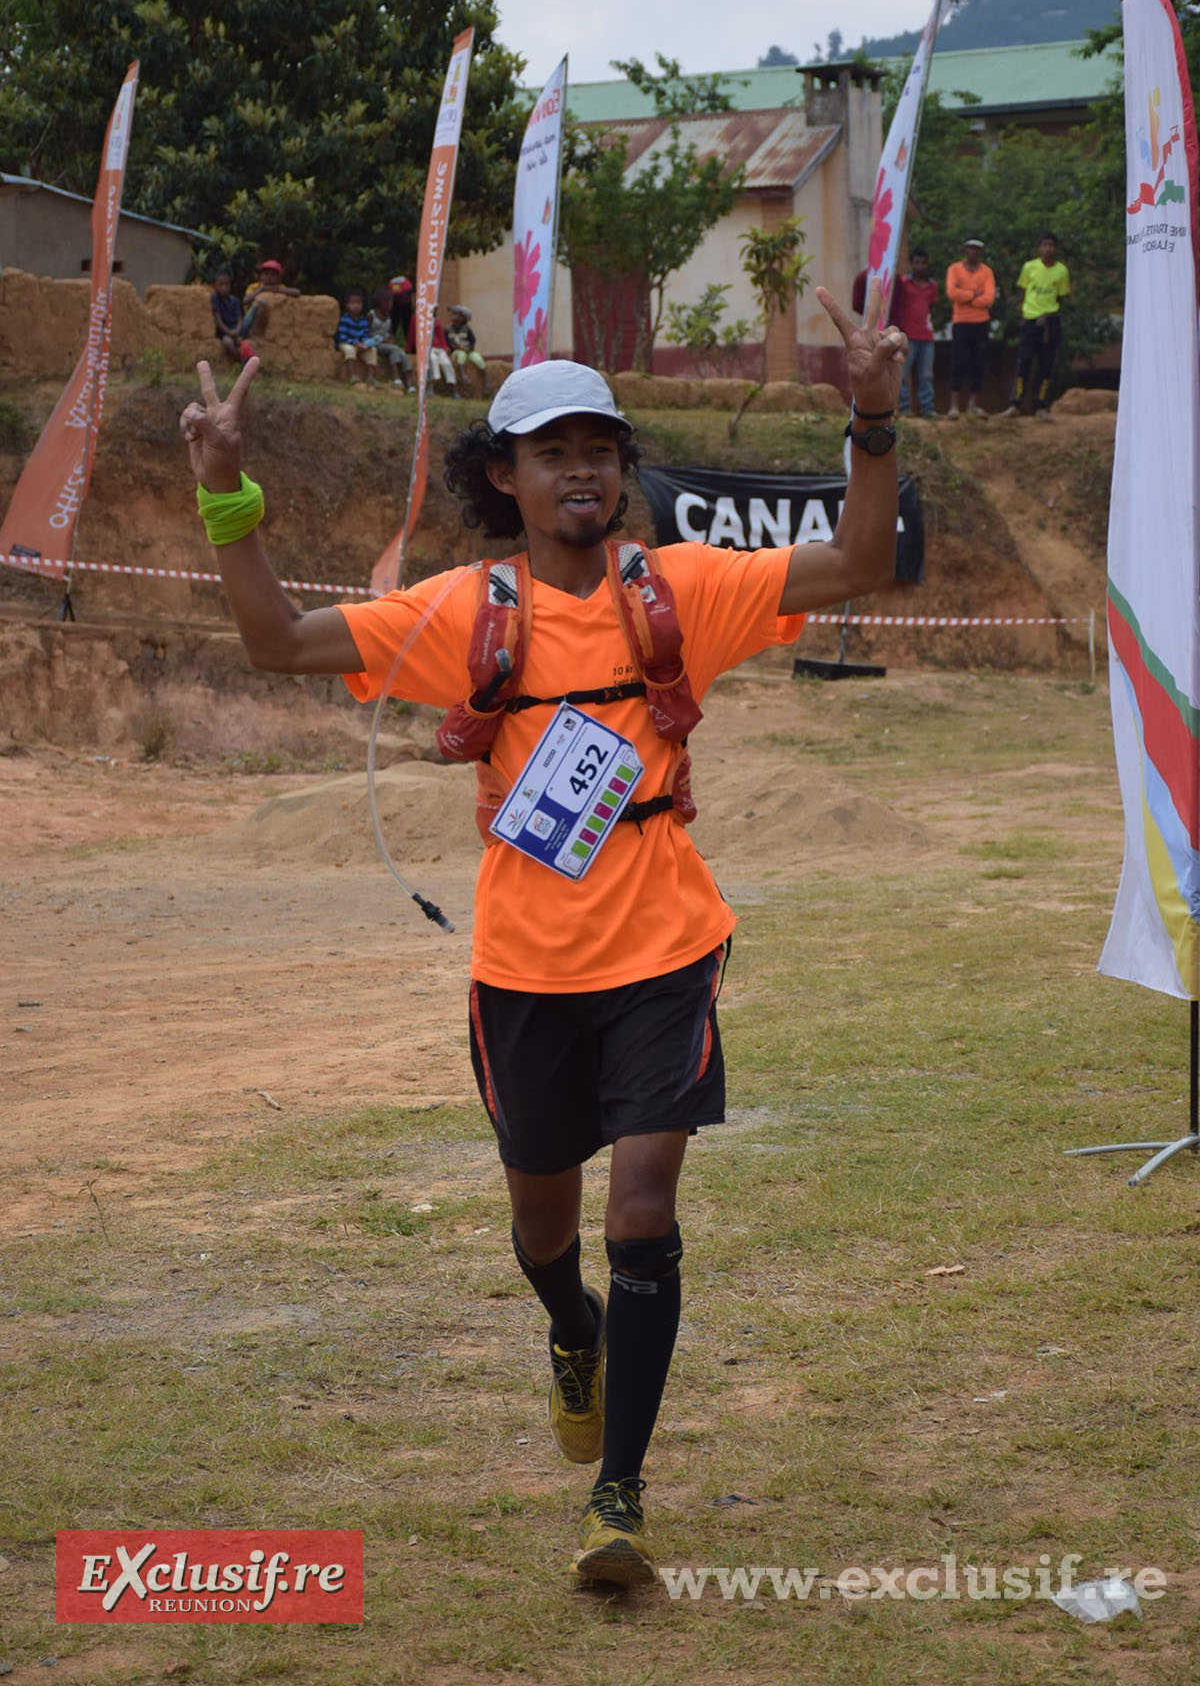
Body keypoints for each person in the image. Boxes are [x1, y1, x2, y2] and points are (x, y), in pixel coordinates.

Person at [178, 282, 905, 1588]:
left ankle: (616, 1501)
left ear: (624, 468)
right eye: (551, 450)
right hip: (522, 970)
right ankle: (570, 1330)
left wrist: (873, 419)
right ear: (503, 475)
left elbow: (856, 565)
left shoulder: (679, 585)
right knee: (544, 1233)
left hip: (667, 948)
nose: (582, 468)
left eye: (600, 447)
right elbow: (277, 640)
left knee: (643, 1207)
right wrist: (228, 497)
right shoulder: (466, 612)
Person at [1001, 233, 1071, 419]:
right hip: (1030, 319)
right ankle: (1015, 404)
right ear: (1039, 248)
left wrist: (1048, 314)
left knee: (1046, 365)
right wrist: (1023, 316)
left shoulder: (1061, 271)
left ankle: (1041, 406)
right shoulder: (1029, 267)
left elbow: (1061, 297)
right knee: (1023, 362)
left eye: (1051, 245)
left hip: (1050, 321)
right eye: (1044, 245)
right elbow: (1023, 292)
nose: (1048, 249)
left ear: (1055, 248)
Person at [945, 237, 995, 418]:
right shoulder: (954, 269)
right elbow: (952, 293)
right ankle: (954, 406)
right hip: (961, 321)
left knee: (979, 363)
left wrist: (965, 295)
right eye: (970, 248)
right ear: (965, 249)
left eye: (977, 249)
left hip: (981, 322)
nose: (973, 252)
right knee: (959, 361)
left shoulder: (987, 271)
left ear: (980, 251)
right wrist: (974, 295)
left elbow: (989, 298)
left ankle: (973, 405)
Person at [891, 249, 938, 418]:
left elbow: (931, 308)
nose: (920, 266)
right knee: (903, 374)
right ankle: (904, 408)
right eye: (916, 262)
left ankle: (927, 409)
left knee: (926, 375)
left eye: (923, 263)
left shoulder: (932, 286)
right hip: (908, 336)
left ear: (927, 264)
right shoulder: (903, 283)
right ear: (911, 264)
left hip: (926, 336)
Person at [239, 258, 300, 346]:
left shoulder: (280, 287)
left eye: (273, 275)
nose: (269, 277)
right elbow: (245, 301)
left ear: (278, 277)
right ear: (261, 275)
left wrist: (277, 290)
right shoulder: (254, 286)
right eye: (266, 274)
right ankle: (252, 333)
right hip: (248, 324)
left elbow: (297, 292)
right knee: (261, 303)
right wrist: (261, 290)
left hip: (269, 329)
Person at [369, 286, 412, 390]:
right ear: (380, 302)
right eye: (388, 302)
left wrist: (391, 339)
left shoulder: (388, 316)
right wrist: (381, 340)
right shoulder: (371, 315)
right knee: (394, 350)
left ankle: (409, 383)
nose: (390, 305)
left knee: (401, 352)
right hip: (375, 343)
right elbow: (367, 333)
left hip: (387, 343)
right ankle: (396, 378)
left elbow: (390, 332)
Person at [335, 289, 377, 387]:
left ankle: (371, 377)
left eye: (359, 303)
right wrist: (355, 343)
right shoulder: (344, 319)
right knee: (350, 350)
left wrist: (366, 344)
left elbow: (365, 335)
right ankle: (352, 375)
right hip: (346, 343)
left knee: (372, 350)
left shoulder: (363, 320)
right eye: (353, 303)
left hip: (359, 344)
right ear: (347, 305)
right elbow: (342, 337)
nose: (356, 306)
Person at [446, 304, 489, 396]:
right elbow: (447, 342)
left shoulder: (467, 329)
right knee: (461, 356)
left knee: (478, 359)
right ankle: (463, 376)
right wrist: (453, 347)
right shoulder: (448, 329)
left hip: (468, 351)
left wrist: (469, 348)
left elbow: (472, 341)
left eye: (455, 314)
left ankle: (486, 382)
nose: (452, 316)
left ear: (462, 318)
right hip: (456, 351)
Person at [210, 270, 244, 365]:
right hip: (224, 332)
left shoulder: (235, 301)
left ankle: (246, 362)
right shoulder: (215, 298)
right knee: (228, 343)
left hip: (235, 331)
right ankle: (238, 362)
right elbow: (218, 320)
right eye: (220, 285)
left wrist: (237, 331)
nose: (224, 287)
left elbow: (240, 319)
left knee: (242, 343)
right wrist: (228, 332)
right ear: (214, 286)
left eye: (226, 284)